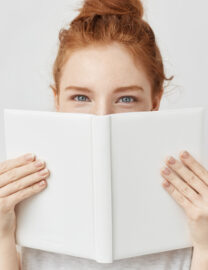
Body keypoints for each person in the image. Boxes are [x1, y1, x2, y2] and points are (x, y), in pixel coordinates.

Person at [1, 0, 208, 269]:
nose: (102, 117)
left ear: (154, 102)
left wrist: (205, 246)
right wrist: (3, 235)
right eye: (80, 96)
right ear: (57, 101)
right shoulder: (26, 206)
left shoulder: (196, 211)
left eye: (125, 99)